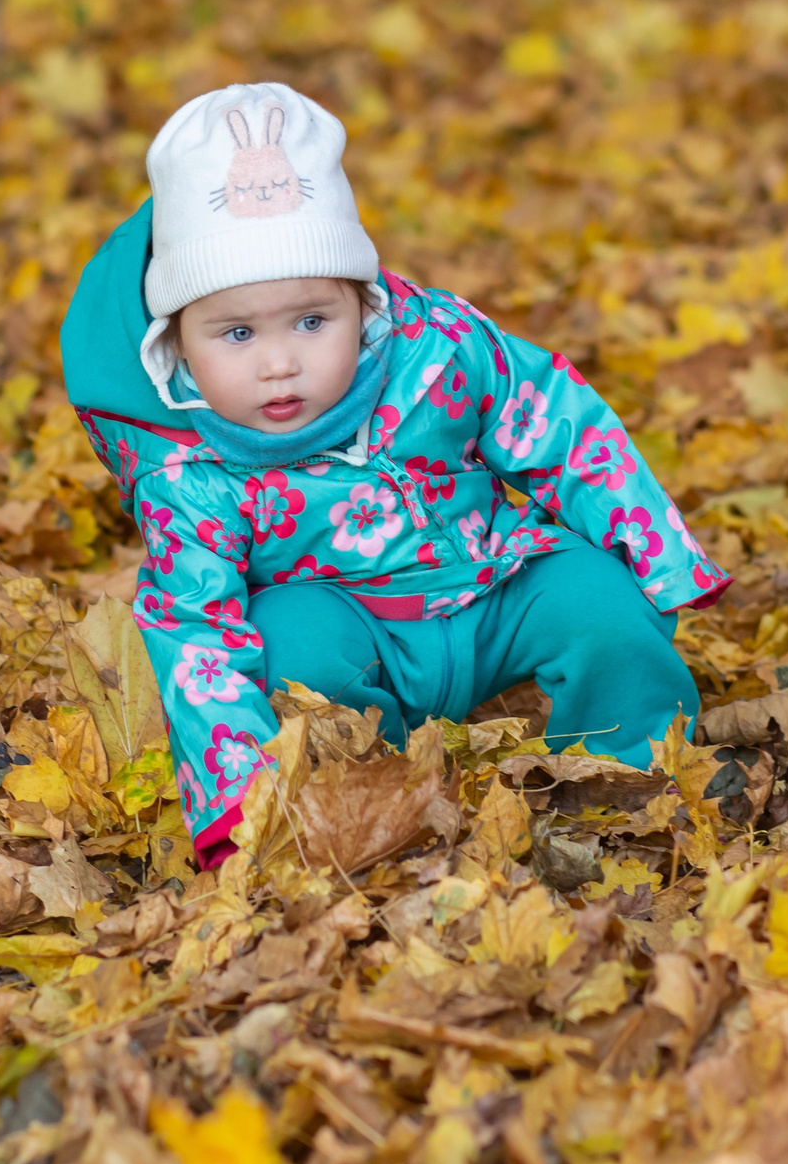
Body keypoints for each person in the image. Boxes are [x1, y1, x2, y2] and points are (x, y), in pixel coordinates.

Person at [61, 81, 729, 865]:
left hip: (489, 582)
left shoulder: (435, 354)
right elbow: (196, 628)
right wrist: (240, 808)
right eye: (236, 333)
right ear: (177, 341)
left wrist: (659, 560)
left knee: (593, 599)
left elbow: (561, 426)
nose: (280, 363)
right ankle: (367, 798)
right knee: (286, 655)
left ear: (362, 300)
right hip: (348, 625)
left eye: (313, 321)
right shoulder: (188, 468)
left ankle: (631, 774)